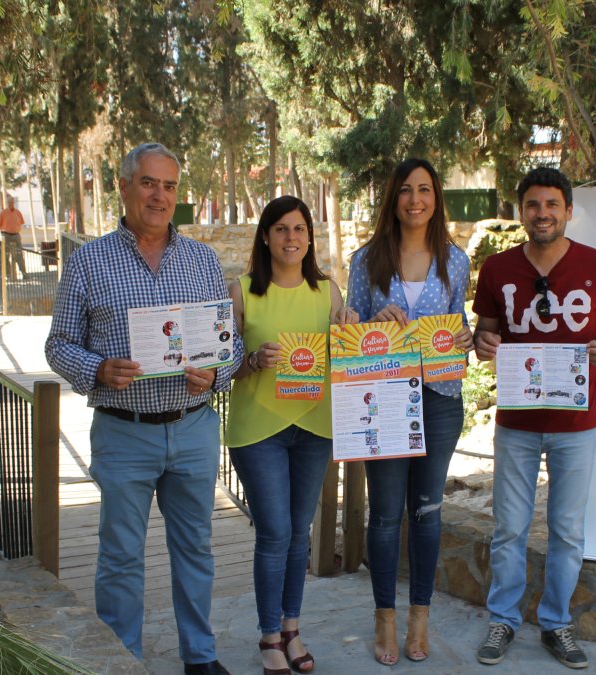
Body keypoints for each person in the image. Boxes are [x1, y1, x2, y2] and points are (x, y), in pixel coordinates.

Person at [44, 142, 239, 675]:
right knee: (121, 557)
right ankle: (122, 660)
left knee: (195, 551)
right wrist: (99, 370)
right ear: (125, 187)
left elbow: (230, 344)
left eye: (169, 186)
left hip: (193, 427)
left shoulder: (201, 260)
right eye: (149, 183)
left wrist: (217, 373)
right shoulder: (88, 261)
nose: (159, 195)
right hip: (124, 433)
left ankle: (200, 657)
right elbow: (59, 344)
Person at [471, 167, 596, 669]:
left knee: (566, 531)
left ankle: (557, 624)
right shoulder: (498, 269)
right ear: (521, 212)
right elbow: (484, 339)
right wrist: (484, 344)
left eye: (551, 205)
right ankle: (503, 619)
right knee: (510, 529)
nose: (542, 214)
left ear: (567, 210)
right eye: (533, 205)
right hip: (517, 423)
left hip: (576, 425)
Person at [346, 158, 473, 667]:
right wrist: (372, 321)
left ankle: (420, 616)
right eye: (405, 191)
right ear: (392, 199)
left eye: (424, 190)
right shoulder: (365, 261)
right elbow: (350, 333)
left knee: (426, 512)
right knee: (383, 516)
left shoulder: (456, 260)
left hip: (440, 400)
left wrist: (462, 337)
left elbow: (459, 326)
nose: (415, 199)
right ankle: (385, 619)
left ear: (436, 197)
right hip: (385, 401)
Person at [226, 196, 357, 675]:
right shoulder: (242, 292)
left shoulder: (329, 293)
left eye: (299, 229)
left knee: (299, 533)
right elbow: (224, 368)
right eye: (281, 229)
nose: (291, 238)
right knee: (276, 531)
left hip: (314, 426)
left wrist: (351, 333)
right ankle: (267, 635)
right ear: (265, 236)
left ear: (310, 237)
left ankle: (291, 628)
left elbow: (346, 360)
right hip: (258, 429)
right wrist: (253, 360)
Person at [0, 194, 28, 279]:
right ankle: (8, 274)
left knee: (19, 254)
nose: (11, 203)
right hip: (6, 234)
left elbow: (21, 222)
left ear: (14, 202)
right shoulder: (3, 213)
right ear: (7, 203)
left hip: (16, 235)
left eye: (12, 202)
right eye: (9, 202)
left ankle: (24, 273)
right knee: (5, 255)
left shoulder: (18, 212)